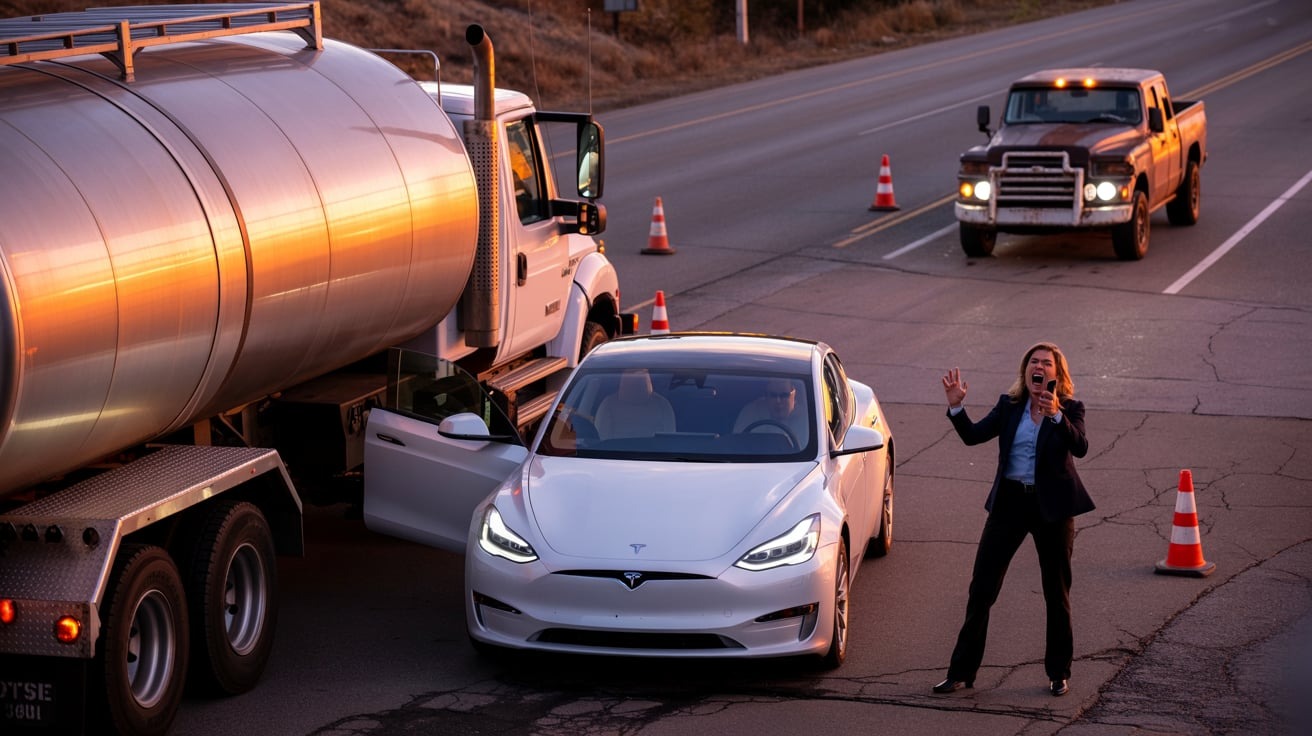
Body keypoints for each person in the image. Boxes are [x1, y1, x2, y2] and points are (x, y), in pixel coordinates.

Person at [933, 342, 1094, 698]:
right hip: (1010, 505)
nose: (1039, 368)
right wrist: (956, 406)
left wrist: (1055, 415)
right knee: (982, 590)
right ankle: (961, 672)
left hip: (1052, 509)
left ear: (1057, 374)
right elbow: (973, 436)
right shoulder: (1009, 406)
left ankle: (1058, 672)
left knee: (1056, 592)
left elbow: (1080, 446)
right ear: (1026, 372)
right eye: (1033, 362)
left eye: (1046, 364)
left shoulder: (1070, 408)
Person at [733, 377, 809, 448]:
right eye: (773, 395)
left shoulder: (808, 419)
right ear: (766, 396)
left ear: (794, 394)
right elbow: (736, 445)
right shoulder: (750, 413)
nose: (778, 401)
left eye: (784, 395)